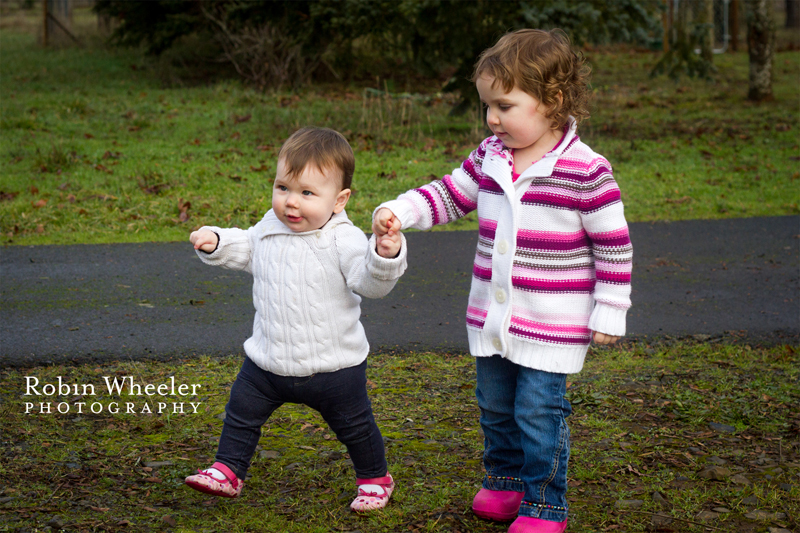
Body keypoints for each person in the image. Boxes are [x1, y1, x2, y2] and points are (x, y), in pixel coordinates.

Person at [372, 29, 632, 533]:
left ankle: (543, 504)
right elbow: (451, 193)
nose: (492, 118)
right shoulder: (491, 155)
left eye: (505, 105)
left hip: (552, 321)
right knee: (495, 406)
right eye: (487, 105)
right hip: (492, 317)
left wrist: (611, 309)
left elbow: (613, 245)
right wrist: (401, 210)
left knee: (538, 413)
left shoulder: (586, 171)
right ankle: (505, 480)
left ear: (552, 102)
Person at [186, 127, 406, 513]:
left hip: (334, 366)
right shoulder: (269, 229)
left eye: (307, 193)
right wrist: (217, 241)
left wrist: (384, 256)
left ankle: (374, 478)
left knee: (355, 427)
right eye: (283, 187)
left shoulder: (345, 240)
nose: (291, 202)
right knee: (241, 413)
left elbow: (370, 283)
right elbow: (246, 246)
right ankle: (228, 469)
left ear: (339, 200)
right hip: (267, 361)